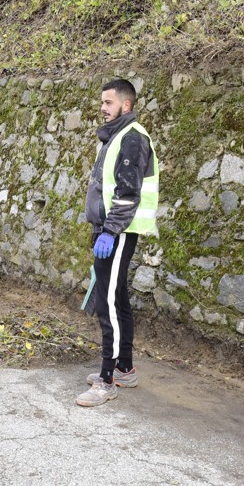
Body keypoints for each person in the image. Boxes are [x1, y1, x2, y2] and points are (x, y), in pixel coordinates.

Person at [77, 78, 160, 408]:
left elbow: (128, 193)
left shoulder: (131, 139)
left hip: (120, 230)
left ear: (126, 105)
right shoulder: (115, 137)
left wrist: (111, 231)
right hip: (111, 229)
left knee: (106, 301)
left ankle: (107, 380)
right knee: (117, 297)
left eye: (108, 102)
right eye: (102, 102)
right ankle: (124, 368)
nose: (102, 107)